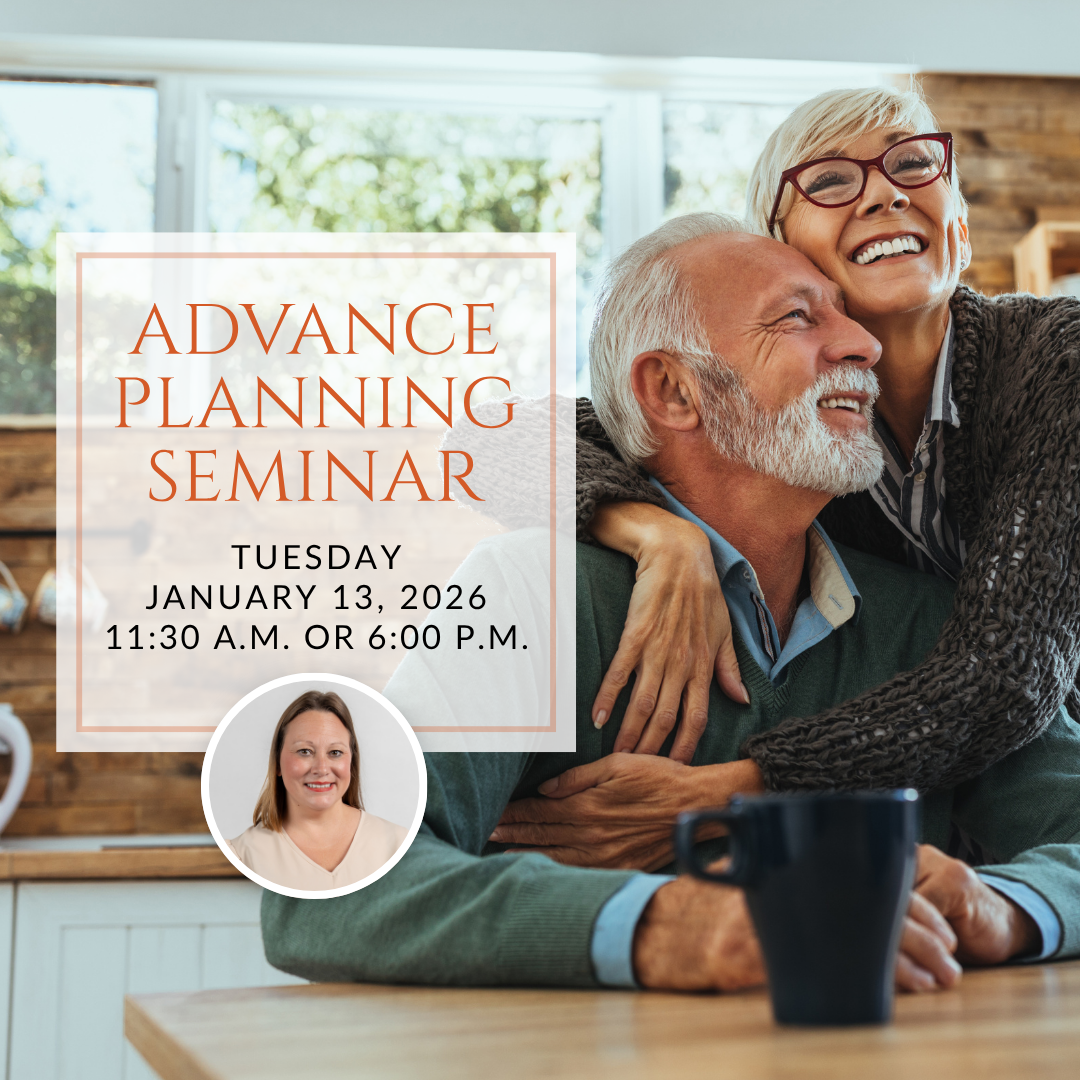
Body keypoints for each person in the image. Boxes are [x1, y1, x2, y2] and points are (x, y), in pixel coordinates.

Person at [261, 218, 1080, 993]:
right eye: (798, 318)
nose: (863, 343)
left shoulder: (931, 621)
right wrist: (667, 925)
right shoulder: (534, 592)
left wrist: (1004, 904)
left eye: (849, 316)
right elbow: (322, 878)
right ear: (674, 391)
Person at [555, 85, 1080, 802]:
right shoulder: (784, 429)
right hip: (924, 794)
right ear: (777, 248)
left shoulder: (1058, 360)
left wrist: (740, 792)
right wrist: (655, 534)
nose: (886, 195)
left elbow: (1009, 671)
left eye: (916, 165)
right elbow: (498, 443)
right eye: (832, 180)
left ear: (958, 222)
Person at [228, 690, 407, 892]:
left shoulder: (401, 845)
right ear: (277, 763)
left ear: (351, 763)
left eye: (335, 753)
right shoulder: (240, 855)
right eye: (305, 752)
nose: (321, 769)